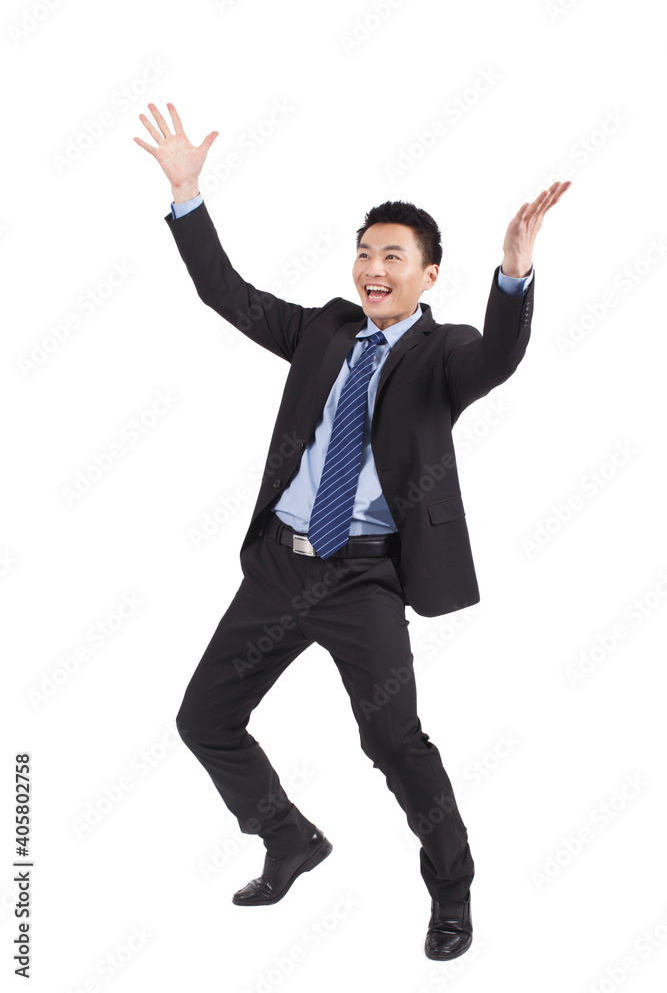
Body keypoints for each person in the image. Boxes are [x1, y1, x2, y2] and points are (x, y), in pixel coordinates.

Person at [134, 102, 570, 961]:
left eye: (393, 257)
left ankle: (452, 886)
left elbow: (500, 359)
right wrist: (188, 195)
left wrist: (514, 274)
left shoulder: (445, 354)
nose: (373, 268)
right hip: (278, 567)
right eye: (365, 252)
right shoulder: (326, 329)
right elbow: (229, 295)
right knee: (204, 718)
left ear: (427, 276)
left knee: (393, 739)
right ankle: (288, 837)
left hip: (362, 576)